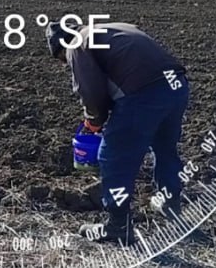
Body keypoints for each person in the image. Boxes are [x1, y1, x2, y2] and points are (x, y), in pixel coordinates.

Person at [44, 21, 189, 245]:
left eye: (63, 60)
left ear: (61, 48)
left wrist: (94, 121)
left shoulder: (76, 44)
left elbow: (91, 92)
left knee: (112, 157)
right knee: (165, 148)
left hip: (143, 94)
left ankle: (118, 226)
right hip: (176, 86)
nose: (66, 63)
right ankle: (170, 204)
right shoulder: (112, 28)